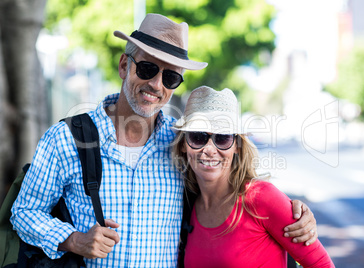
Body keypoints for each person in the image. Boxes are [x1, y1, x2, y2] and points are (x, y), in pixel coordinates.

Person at [11, 14, 317, 267]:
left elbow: (233, 189)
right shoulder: (66, 138)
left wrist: (294, 212)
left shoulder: (184, 142)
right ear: (123, 66)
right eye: (147, 68)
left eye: (170, 77)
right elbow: (24, 212)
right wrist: (74, 240)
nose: (156, 84)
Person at [172, 86, 335, 267]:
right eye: (197, 137)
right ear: (183, 145)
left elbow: (321, 264)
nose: (209, 149)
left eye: (222, 138)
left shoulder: (260, 197)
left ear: (237, 146)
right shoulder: (186, 207)